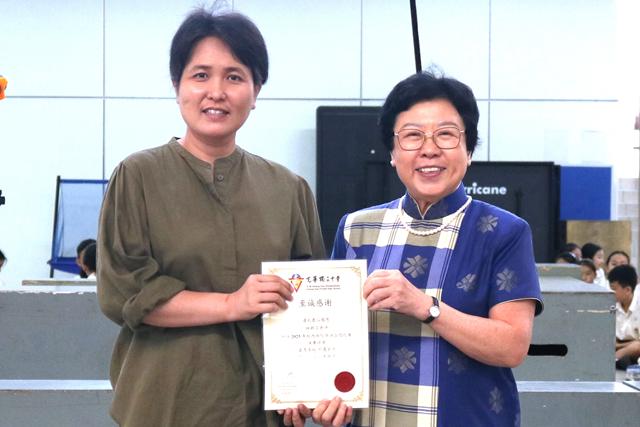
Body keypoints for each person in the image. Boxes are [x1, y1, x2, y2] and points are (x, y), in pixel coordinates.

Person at [96, 8, 324, 427]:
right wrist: (233, 303)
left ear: (255, 91)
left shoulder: (288, 189)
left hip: (262, 406)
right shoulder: (138, 176)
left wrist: (306, 387)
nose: (216, 92)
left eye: (234, 77)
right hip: (164, 404)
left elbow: (310, 305)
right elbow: (126, 293)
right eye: (200, 75)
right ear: (177, 86)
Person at [321, 71, 543, 427]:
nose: (429, 149)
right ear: (392, 153)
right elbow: (332, 336)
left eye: (446, 134)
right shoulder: (355, 229)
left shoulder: (504, 232)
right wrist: (321, 394)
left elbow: (512, 346)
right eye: (412, 135)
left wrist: (425, 306)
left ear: (469, 150)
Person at [609, 265, 640, 369]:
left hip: (634, 350)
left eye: (613, 289)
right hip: (616, 347)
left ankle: (610, 361)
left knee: (636, 347)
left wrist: (619, 346)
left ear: (627, 290)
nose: (610, 292)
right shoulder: (611, 305)